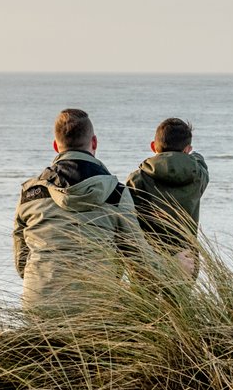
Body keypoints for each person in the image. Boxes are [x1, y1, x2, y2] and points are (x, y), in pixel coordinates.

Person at [13, 107, 150, 312]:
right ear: (94, 142)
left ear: (55, 146)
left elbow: (21, 263)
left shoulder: (30, 194)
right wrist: (177, 266)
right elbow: (140, 260)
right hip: (95, 308)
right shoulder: (116, 193)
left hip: (39, 305)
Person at [125, 117, 209, 280]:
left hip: (147, 258)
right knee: (178, 305)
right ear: (187, 149)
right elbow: (199, 159)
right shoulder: (198, 175)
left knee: (142, 303)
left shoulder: (137, 179)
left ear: (153, 146)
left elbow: (128, 219)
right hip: (187, 258)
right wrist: (191, 154)